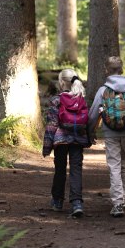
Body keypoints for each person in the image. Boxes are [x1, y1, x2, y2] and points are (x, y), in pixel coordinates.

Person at [88, 56, 125, 218]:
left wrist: (90, 131)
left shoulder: (103, 90)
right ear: (122, 69)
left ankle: (118, 202)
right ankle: (124, 198)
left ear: (107, 70)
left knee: (114, 164)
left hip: (110, 131)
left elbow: (93, 113)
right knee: (124, 162)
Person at [42, 68, 91, 217]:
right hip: (77, 140)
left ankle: (57, 201)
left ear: (61, 82)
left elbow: (52, 124)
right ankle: (77, 203)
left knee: (60, 170)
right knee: (76, 170)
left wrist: (47, 146)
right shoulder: (81, 99)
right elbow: (87, 121)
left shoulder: (56, 100)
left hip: (60, 140)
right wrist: (88, 138)